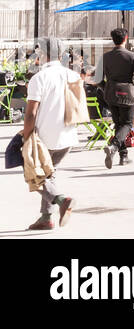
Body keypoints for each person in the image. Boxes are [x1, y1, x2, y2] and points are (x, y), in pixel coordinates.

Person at [19, 36, 77, 230]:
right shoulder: (73, 75)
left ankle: (61, 200)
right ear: (61, 55)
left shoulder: (39, 77)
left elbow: (30, 114)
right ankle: (46, 217)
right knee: (49, 175)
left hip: (44, 137)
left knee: (34, 174)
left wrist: (26, 137)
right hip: (68, 135)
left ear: (42, 54)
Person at [99, 27, 134, 170]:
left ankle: (123, 155)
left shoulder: (105, 57)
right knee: (127, 123)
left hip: (111, 92)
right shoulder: (132, 55)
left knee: (119, 124)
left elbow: (98, 77)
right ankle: (114, 146)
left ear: (113, 40)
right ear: (126, 38)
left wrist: (106, 87)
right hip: (128, 92)